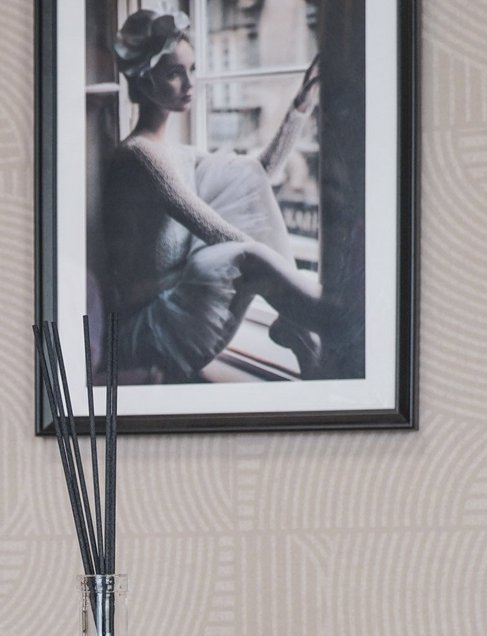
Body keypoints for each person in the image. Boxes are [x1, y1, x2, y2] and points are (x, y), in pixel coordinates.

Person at [102, 8, 326, 382]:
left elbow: (258, 173)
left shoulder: (175, 152)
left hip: (179, 305)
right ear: (143, 82)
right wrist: (280, 278)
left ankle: (306, 330)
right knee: (249, 255)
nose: (190, 84)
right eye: (174, 74)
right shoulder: (139, 153)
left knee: (245, 178)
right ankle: (329, 317)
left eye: (192, 70)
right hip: (151, 330)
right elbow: (214, 230)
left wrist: (301, 105)